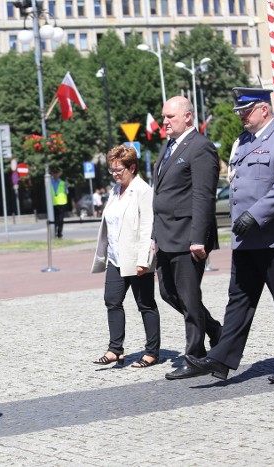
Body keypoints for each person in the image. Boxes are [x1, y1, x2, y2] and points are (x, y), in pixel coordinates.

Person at [185, 88, 274, 383]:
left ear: (264, 109)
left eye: (246, 110)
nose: (241, 115)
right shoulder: (242, 142)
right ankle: (222, 359)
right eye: (239, 110)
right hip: (245, 240)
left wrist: (256, 214)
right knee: (238, 301)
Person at [153, 96, 223, 380]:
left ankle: (195, 356)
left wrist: (198, 238)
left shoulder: (201, 147)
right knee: (168, 292)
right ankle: (216, 330)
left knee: (189, 296)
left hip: (187, 235)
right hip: (165, 234)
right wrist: (153, 235)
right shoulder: (169, 147)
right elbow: (161, 194)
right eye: (163, 117)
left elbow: (203, 196)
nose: (164, 122)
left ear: (188, 117)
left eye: (170, 117)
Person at [90, 145, 160, 368]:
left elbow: (149, 226)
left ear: (132, 167)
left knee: (145, 304)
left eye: (119, 170)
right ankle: (115, 350)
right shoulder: (114, 190)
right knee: (112, 300)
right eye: (112, 170)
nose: (115, 174)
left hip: (135, 258)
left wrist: (144, 259)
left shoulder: (142, 190)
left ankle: (152, 352)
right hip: (115, 258)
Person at [51, 168, 68, 238]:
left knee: (60, 219)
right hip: (53, 203)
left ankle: (59, 233)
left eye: (57, 173)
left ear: (58, 174)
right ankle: (54, 233)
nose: (55, 174)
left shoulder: (63, 183)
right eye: (54, 173)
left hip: (61, 203)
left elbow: (66, 192)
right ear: (53, 174)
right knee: (54, 219)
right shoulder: (50, 182)